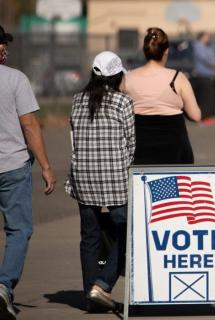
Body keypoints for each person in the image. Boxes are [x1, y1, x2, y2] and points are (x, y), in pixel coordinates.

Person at [64, 51, 135, 312]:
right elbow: (131, 144)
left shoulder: (77, 100)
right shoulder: (123, 102)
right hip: (115, 178)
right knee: (126, 233)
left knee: (89, 237)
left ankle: (89, 295)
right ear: (117, 76)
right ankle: (103, 285)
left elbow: (74, 140)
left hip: (83, 175)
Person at [0, 25, 56, 320]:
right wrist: (46, 166)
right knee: (19, 229)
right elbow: (30, 125)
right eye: (2, 44)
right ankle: (4, 285)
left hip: (12, 165)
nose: (5, 49)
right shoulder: (15, 79)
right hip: (11, 166)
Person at [122, 27, 201, 165]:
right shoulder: (178, 78)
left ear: (145, 50)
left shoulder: (128, 78)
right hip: (174, 152)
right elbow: (196, 116)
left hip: (138, 150)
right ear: (166, 51)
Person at [192, 32, 215, 126]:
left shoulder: (207, 47)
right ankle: (202, 118)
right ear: (202, 37)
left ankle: (207, 117)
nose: (208, 38)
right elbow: (205, 59)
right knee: (204, 98)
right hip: (202, 76)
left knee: (209, 98)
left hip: (209, 75)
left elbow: (213, 58)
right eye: (206, 37)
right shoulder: (199, 46)